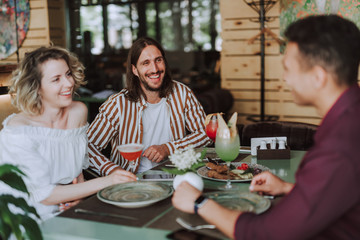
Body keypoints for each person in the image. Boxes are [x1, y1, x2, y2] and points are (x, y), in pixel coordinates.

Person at [172, 15, 360, 239]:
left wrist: (199, 203)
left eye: (288, 69)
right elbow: (342, 192)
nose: (284, 79)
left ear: (318, 77)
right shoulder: (351, 119)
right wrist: (289, 189)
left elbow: (267, 234)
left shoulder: (339, 144)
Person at [0, 46, 136, 220]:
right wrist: (108, 180)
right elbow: (43, 195)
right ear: (37, 87)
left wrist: (78, 197)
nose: (69, 83)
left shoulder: (77, 112)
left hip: (68, 211)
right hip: (28, 217)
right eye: (56, 79)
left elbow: (77, 170)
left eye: (68, 74)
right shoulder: (18, 132)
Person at [87, 37, 211, 176]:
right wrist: (112, 170)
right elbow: (87, 147)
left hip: (176, 179)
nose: (155, 69)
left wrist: (169, 148)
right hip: (131, 185)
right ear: (135, 70)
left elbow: (206, 133)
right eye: (146, 63)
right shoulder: (118, 104)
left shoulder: (182, 93)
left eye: (158, 60)